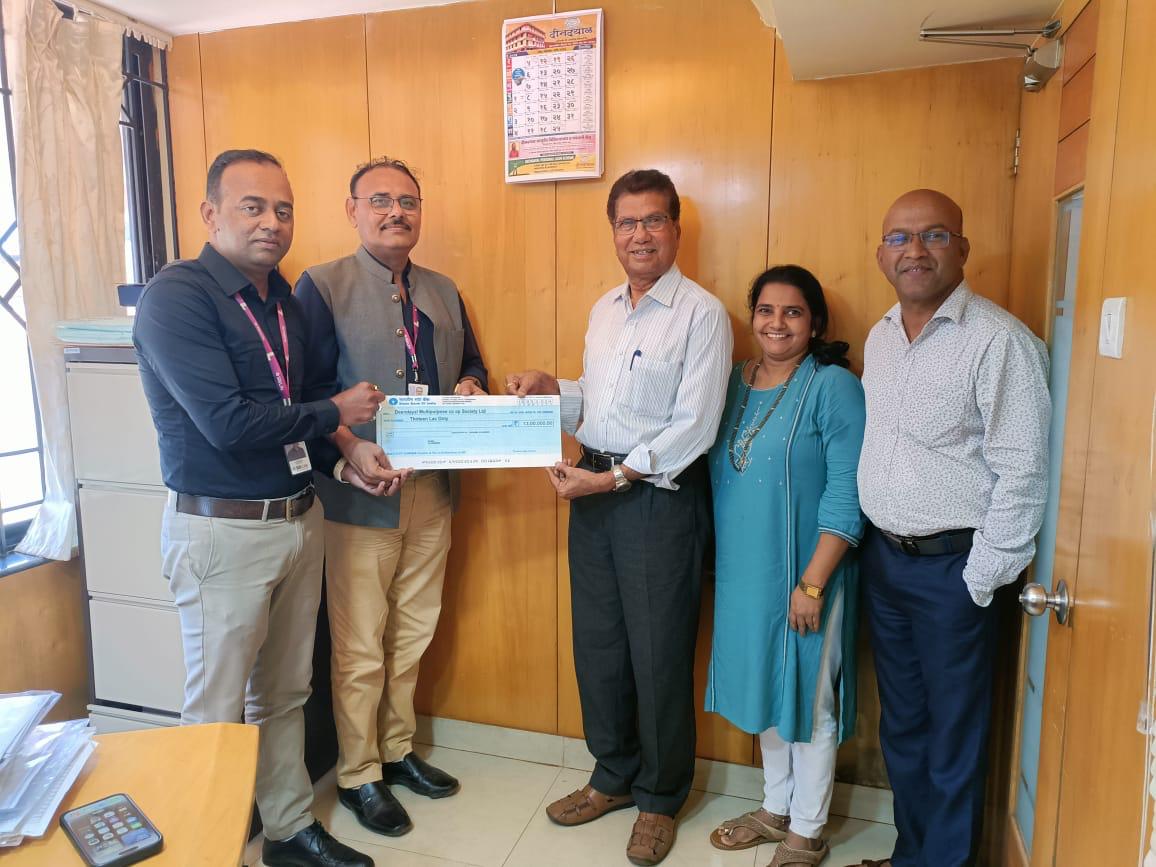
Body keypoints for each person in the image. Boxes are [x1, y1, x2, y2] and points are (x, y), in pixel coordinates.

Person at [134, 149, 387, 867]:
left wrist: (343, 454)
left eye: (283, 209)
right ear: (210, 213)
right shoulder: (177, 297)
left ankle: (287, 830)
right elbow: (227, 422)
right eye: (252, 207)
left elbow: (293, 407)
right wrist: (336, 411)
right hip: (222, 531)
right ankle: (201, 852)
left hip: (298, 518)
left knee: (284, 693)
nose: (271, 222)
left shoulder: (283, 301)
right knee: (215, 710)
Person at [508, 169, 732, 866]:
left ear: (676, 229)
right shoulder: (605, 309)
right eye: (627, 222)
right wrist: (554, 390)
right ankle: (611, 775)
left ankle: (659, 797)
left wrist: (611, 478)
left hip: (656, 501)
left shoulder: (702, 314)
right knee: (599, 645)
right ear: (613, 232)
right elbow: (602, 402)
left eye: (653, 220)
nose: (640, 234)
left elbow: (695, 426)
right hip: (594, 491)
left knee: (659, 653)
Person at [848, 189, 1050, 867]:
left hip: (953, 572)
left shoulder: (999, 341)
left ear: (962, 248)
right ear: (881, 255)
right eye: (899, 238)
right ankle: (914, 855)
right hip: (885, 561)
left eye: (934, 235)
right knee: (903, 726)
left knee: (953, 736)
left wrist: (978, 578)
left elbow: (1024, 470)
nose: (915, 250)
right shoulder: (881, 336)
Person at [295, 156, 488, 838]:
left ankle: (398, 749)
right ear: (352, 210)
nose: (395, 212)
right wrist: (349, 448)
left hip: (432, 489)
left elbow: (472, 362)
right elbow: (305, 394)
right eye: (379, 200)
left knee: (413, 630)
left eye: (407, 201)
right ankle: (358, 773)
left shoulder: (443, 289)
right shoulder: (321, 285)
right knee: (359, 645)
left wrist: (471, 383)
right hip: (359, 495)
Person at [706, 266, 865, 866]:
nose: (777, 323)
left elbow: (848, 492)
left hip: (809, 574)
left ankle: (808, 829)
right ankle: (776, 807)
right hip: (744, 575)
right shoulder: (732, 381)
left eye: (793, 312)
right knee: (763, 689)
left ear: (815, 322)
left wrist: (813, 583)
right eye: (766, 310)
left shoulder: (833, 387)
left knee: (808, 698)